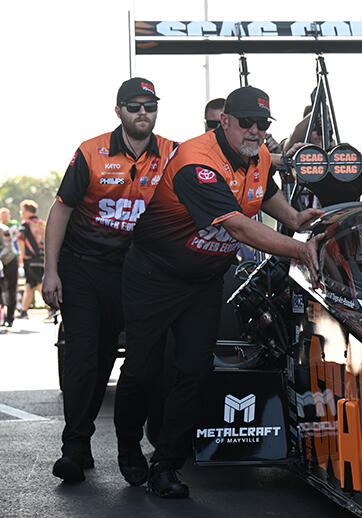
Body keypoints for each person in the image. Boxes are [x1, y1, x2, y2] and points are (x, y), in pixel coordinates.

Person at [113, 86, 323, 499]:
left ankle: (166, 464)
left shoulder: (258, 154)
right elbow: (240, 227)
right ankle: (127, 446)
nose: (255, 131)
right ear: (224, 120)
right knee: (143, 369)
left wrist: (296, 217)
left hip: (203, 281)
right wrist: (301, 249)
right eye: (246, 122)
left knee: (194, 370)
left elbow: (265, 193)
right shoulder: (196, 160)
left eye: (263, 124)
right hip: (154, 276)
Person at [40, 77, 178, 483]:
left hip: (138, 271)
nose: (143, 113)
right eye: (134, 106)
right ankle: (75, 448)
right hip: (82, 266)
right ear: (118, 110)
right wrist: (51, 272)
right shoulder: (91, 151)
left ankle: (131, 445)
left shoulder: (172, 153)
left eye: (149, 107)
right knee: (84, 354)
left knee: (137, 361)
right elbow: (61, 210)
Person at [17, 200, 45, 319]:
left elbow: (20, 239)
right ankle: (23, 311)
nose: (21, 213)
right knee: (30, 285)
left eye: (22, 211)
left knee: (39, 283)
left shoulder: (26, 224)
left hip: (31, 259)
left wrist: (23, 255)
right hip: (43, 258)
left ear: (28, 211)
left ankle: (53, 307)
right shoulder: (42, 224)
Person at [1, 218, 17, 327]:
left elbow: (8, 246)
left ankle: (10, 317)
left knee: (11, 289)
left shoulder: (4, 229)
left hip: (9, 260)